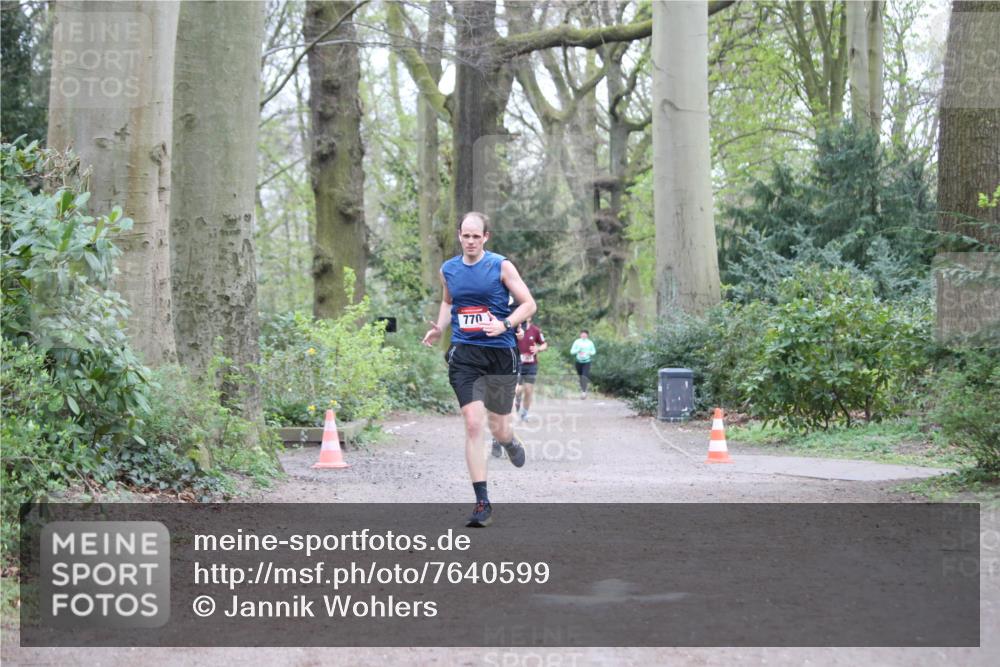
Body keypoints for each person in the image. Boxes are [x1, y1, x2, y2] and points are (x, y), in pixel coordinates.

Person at [423, 212, 537, 527]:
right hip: (465, 355)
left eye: (477, 236)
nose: (471, 241)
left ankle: (509, 441)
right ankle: (482, 502)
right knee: (474, 424)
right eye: (466, 235)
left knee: (498, 427)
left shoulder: (500, 266)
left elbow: (528, 304)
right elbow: (448, 302)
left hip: (501, 354)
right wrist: (440, 328)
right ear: (459, 235)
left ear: (486, 237)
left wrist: (505, 324)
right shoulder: (449, 269)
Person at [513, 316, 547, 422]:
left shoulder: (535, 330)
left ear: (530, 317)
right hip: (518, 363)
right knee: (518, 389)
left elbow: (544, 344)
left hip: (531, 364)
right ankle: (517, 401)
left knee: (528, 390)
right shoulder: (515, 329)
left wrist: (538, 348)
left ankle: (524, 413)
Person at [570, 329, 596, 398]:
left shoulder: (590, 343)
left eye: (585, 334)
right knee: (581, 376)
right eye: (582, 334)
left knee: (584, 375)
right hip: (578, 361)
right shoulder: (577, 342)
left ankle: (584, 392)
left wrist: (589, 353)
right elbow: (572, 351)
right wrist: (578, 350)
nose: (583, 335)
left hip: (587, 361)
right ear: (580, 335)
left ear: (587, 335)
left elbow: (594, 351)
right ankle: (583, 389)